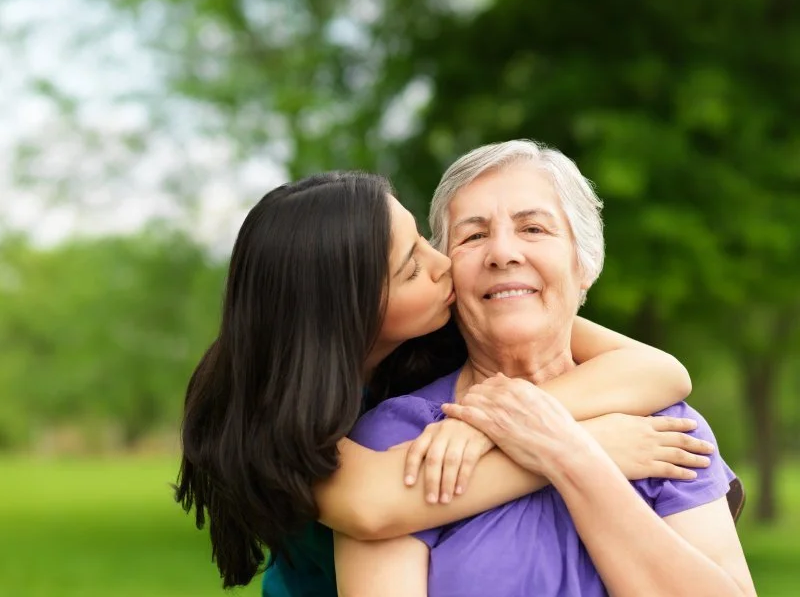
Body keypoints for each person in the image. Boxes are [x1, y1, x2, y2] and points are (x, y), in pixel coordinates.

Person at [175, 171, 712, 596]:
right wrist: (582, 449)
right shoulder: (278, 416)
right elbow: (373, 506)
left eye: (424, 241)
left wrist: (488, 425)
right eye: (411, 266)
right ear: (351, 312)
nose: (445, 265)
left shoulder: (451, 320)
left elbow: (659, 371)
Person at [336, 141, 756, 596]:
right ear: (449, 275)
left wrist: (564, 451)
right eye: (473, 236)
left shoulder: (662, 425)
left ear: (585, 264)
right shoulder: (400, 438)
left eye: (533, 228)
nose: (502, 253)